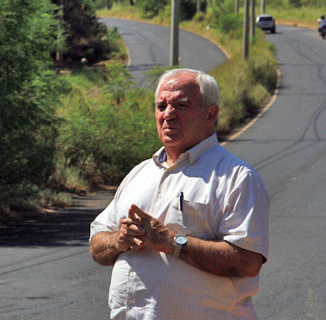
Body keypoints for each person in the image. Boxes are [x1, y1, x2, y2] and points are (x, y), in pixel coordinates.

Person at [89, 68, 269, 319]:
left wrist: (172, 242)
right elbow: (97, 242)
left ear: (211, 114)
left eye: (181, 105)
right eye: (161, 105)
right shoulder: (140, 173)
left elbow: (247, 262)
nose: (168, 114)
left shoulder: (236, 177)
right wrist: (118, 240)